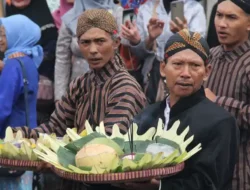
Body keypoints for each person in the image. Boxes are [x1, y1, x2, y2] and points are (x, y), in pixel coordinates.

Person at [14, 9, 146, 190]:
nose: (92, 50)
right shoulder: (80, 84)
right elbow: (54, 128)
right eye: (85, 42)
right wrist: (20, 136)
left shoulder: (125, 87)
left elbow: (106, 146)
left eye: (100, 41)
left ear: (116, 43)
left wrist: (55, 155)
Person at [124, 29, 238, 190]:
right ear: (163, 69)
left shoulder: (221, 122)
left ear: (206, 72)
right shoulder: (146, 116)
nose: (185, 74)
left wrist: (160, 187)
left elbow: (211, 183)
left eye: (195, 65)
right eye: (177, 64)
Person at [203, 0, 250, 189]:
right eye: (219, 15)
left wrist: (219, 103)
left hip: (240, 170)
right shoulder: (210, 56)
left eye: (231, 17)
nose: (222, 24)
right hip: (206, 167)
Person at [0, 14, 42, 190]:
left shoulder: (12, 65)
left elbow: (2, 108)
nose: (0, 39)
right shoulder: (28, 60)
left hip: (11, 140)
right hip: (27, 138)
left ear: (17, 34)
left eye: (3, 34)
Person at [54, 0, 118, 102]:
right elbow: (62, 59)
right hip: (79, 89)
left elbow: (127, 50)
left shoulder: (117, 14)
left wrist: (134, 40)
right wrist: (60, 98)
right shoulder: (71, 18)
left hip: (112, 88)